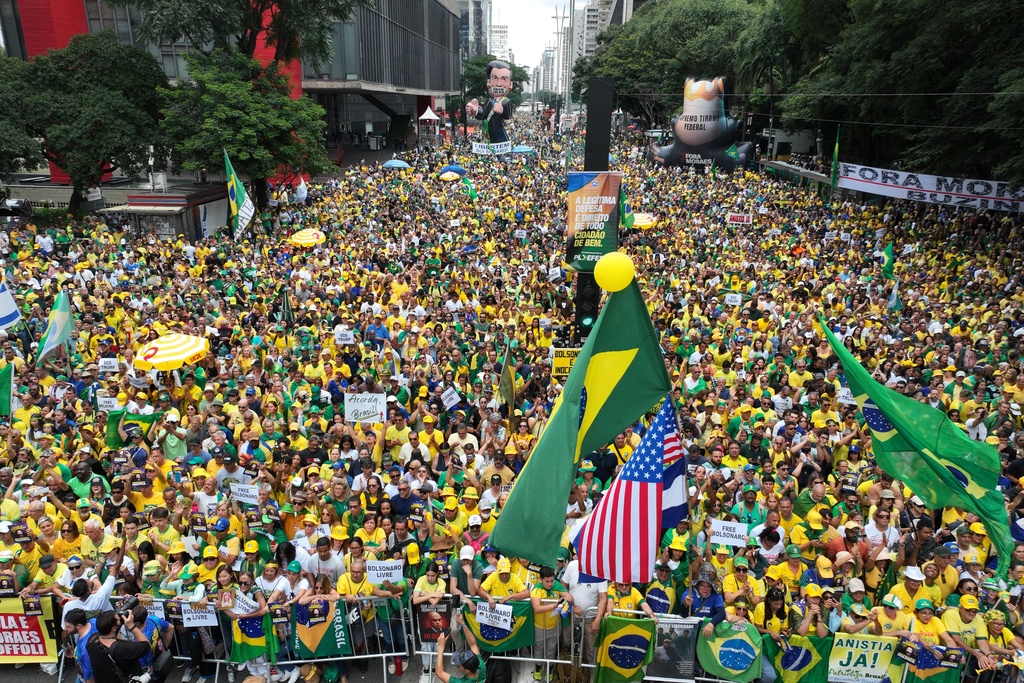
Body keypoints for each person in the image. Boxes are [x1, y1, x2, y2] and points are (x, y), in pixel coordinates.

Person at [85, 609, 156, 682]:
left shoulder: (92, 639)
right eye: (119, 620)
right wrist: (132, 626)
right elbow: (146, 645)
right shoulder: (122, 649)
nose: (121, 619)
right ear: (113, 628)